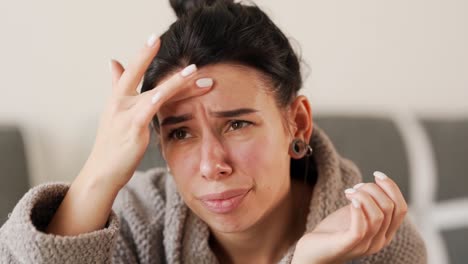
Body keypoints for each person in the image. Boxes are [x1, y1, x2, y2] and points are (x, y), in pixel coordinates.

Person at [0, 0, 427, 263]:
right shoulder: (137, 224)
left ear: (295, 121)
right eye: (181, 133)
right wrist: (100, 170)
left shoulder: (377, 242)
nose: (211, 165)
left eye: (238, 124)